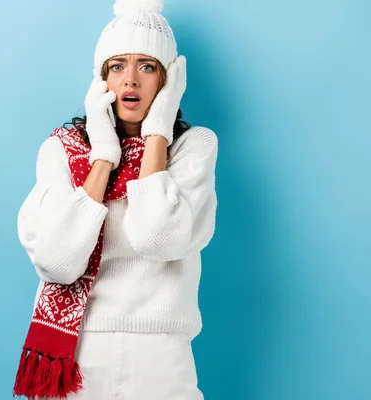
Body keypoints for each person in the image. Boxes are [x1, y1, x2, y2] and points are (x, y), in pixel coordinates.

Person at [13, 0, 218, 399]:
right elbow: (56, 262)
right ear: (101, 78)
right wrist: (104, 154)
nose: (131, 81)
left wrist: (158, 130)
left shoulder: (192, 148)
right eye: (117, 66)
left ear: (167, 80)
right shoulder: (62, 150)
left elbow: (158, 240)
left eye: (147, 66)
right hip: (78, 350)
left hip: (161, 354)